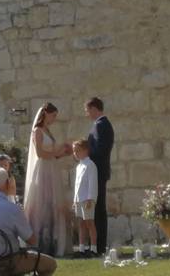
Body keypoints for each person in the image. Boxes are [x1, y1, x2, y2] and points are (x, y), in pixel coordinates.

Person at [0, 168, 56, 276]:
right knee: (50, 264)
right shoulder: (12, 208)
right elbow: (31, 240)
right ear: (7, 183)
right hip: (9, 262)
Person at [23, 102, 70, 257]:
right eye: (53, 115)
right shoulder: (37, 131)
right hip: (42, 169)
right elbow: (40, 153)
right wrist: (57, 154)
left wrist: (63, 152)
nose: (54, 119)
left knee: (52, 203)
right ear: (45, 114)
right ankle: (39, 243)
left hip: (51, 169)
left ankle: (54, 242)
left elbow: (51, 152)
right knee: (41, 204)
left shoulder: (47, 131)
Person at [85, 97, 114, 253]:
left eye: (88, 110)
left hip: (98, 172)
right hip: (96, 172)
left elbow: (100, 151)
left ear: (95, 109)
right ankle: (96, 245)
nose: (87, 114)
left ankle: (99, 245)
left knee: (98, 210)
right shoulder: (99, 125)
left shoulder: (102, 125)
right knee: (96, 209)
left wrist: (84, 154)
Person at [71, 140, 98, 257]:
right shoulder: (79, 166)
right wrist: (75, 199)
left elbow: (92, 183)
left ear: (86, 150)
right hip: (79, 199)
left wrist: (90, 198)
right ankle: (82, 248)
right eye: (74, 151)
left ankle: (93, 249)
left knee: (90, 223)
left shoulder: (90, 165)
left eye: (78, 150)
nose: (75, 153)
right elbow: (77, 184)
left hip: (87, 199)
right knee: (81, 223)